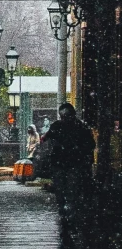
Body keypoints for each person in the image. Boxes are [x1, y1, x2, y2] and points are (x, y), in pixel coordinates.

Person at [45, 100, 96, 233]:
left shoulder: (65, 127)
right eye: (63, 116)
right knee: (66, 192)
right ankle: (68, 216)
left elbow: (90, 145)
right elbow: (90, 145)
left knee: (68, 191)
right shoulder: (79, 127)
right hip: (68, 164)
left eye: (66, 116)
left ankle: (68, 216)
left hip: (69, 165)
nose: (65, 119)